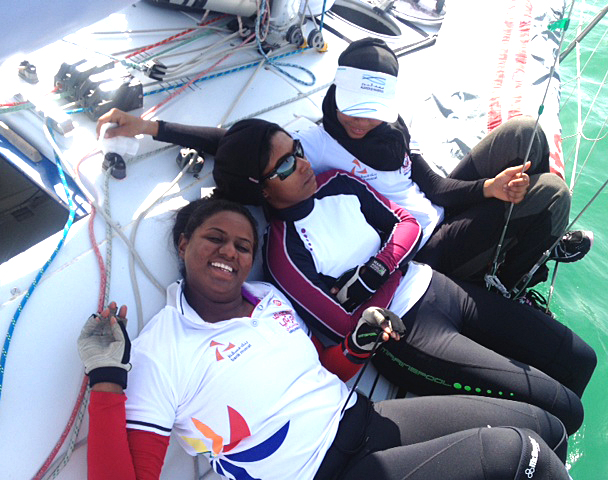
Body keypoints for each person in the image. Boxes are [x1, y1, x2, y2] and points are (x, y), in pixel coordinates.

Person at [78, 196, 573, 480]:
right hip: (317, 473)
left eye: (242, 245)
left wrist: (356, 346)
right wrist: (105, 380)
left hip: (361, 418)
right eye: (214, 238)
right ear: (184, 243)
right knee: (517, 456)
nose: (230, 251)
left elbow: (317, 371)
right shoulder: (160, 350)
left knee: (546, 425)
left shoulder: (267, 300)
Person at [95, 38, 593, 296]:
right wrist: (148, 128)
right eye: (350, 106)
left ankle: (522, 249)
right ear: (336, 89)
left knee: (525, 132)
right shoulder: (310, 145)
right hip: (421, 249)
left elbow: (434, 187)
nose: (358, 121)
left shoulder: (390, 129)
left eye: (371, 110)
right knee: (552, 195)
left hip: (432, 210)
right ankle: (514, 275)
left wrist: (487, 188)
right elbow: (233, 144)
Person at [206, 119, 595, 436]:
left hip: (437, 285)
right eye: (286, 166)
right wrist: (387, 269)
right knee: (565, 409)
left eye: (298, 151)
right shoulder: (284, 254)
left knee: (580, 360)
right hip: (405, 337)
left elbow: (407, 225)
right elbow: (344, 324)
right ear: (261, 191)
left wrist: (371, 275)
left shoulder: (337, 182)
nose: (304, 164)